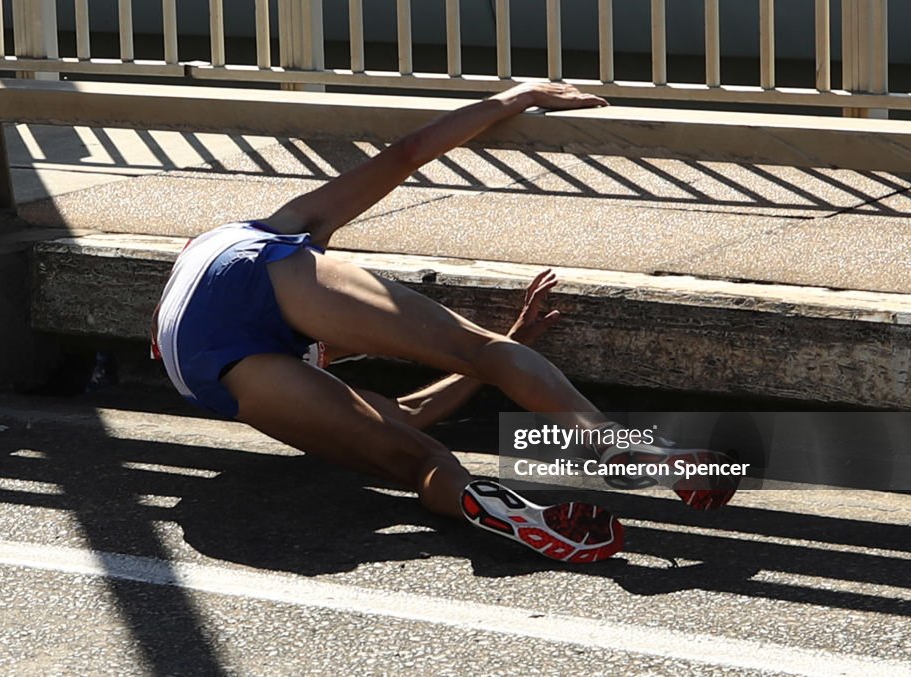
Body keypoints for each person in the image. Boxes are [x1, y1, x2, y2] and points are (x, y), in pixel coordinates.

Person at [152, 82, 735, 564]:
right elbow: (405, 153)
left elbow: (404, 418)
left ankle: (501, 509)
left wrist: (501, 349)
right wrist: (517, 96)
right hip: (248, 280)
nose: (329, 356)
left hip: (204, 370)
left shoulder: (211, 335)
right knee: (480, 353)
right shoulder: (260, 234)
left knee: (422, 461)